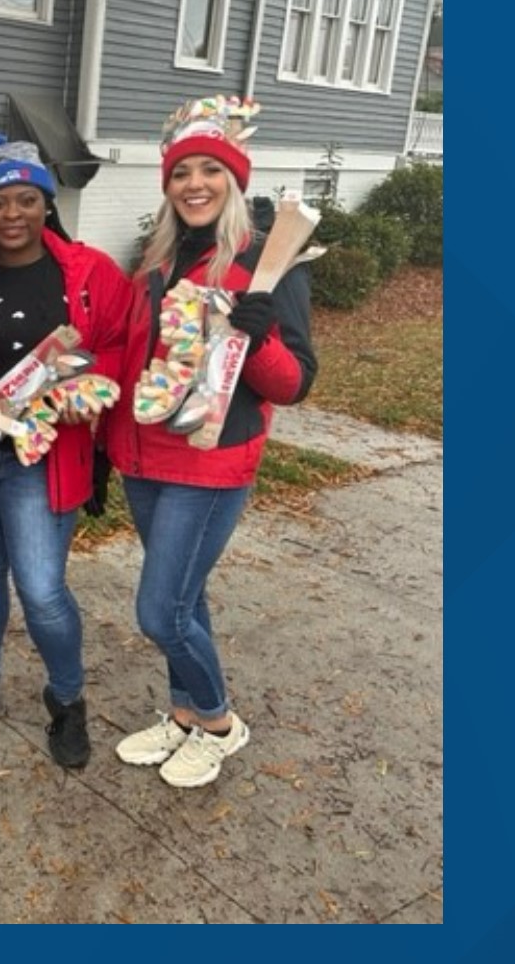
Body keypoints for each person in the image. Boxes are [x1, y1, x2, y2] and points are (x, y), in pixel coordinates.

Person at [107, 95, 317, 788]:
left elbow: (291, 385)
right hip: (143, 458)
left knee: (159, 610)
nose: (194, 183)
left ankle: (222, 722)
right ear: (167, 185)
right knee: (185, 602)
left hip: (210, 460)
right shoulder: (155, 260)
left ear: (234, 179)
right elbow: (136, 362)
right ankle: (185, 712)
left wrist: (254, 336)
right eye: (180, 172)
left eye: (210, 170)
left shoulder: (265, 262)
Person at [0, 135, 130, 769]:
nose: (11, 215)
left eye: (25, 200)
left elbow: (124, 344)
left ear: (47, 203)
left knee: (42, 589)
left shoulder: (89, 272)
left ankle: (67, 699)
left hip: (42, 456)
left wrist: (90, 386)